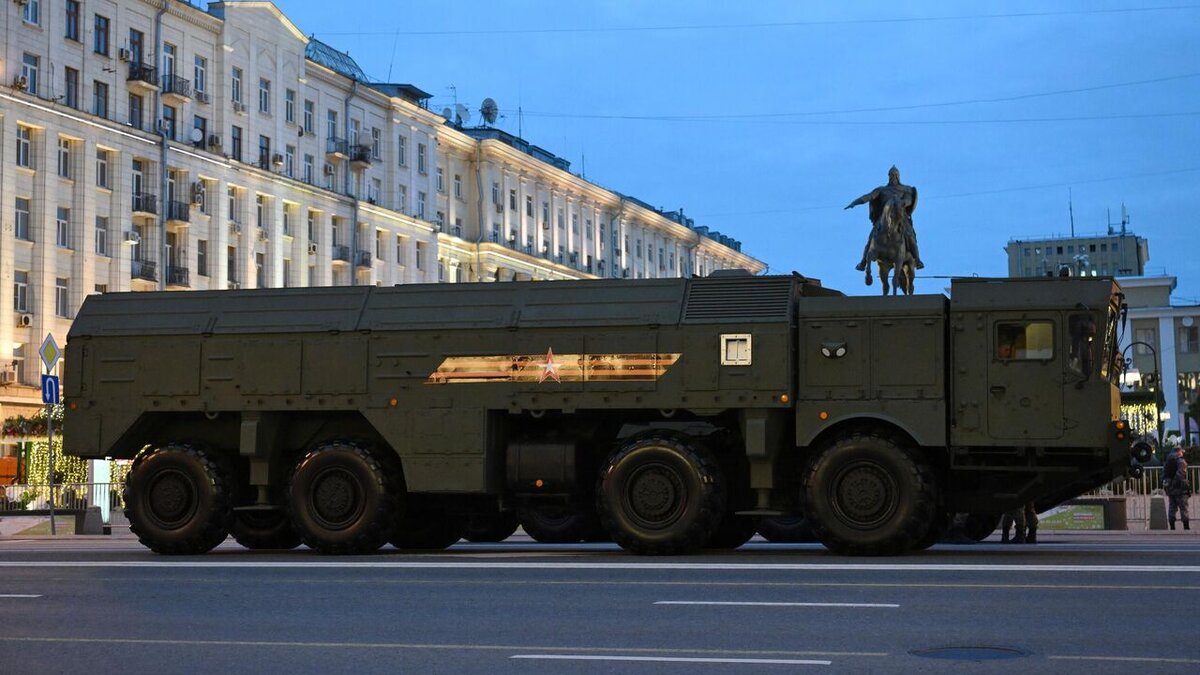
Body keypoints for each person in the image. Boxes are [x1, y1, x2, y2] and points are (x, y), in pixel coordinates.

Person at [846, 165, 924, 271]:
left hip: (901, 218)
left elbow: (909, 200)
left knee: (910, 237)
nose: (893, 177)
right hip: (883, 218)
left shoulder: (906, 189)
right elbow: (869, 197)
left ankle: (917, 260)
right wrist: (855, 202)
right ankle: (863, 262)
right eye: (891, 175)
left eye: (895, 175)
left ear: (898, 176)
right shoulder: (882, 190)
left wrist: (902, 203)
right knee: (871, 238)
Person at [1163, 446, 1191, 530]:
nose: (1182, 453)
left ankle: (1172, 526)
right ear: (1178, 452)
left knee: (1172, 507)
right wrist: (1175, 483)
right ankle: (1186, 527)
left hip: (1170, 488)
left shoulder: (1168, 462)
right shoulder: (1181, 462)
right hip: (1180, 488)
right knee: (1183, 507)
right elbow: (1180, 474)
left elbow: (1164, 475)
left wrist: (1169, 485)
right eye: (1181, 451)